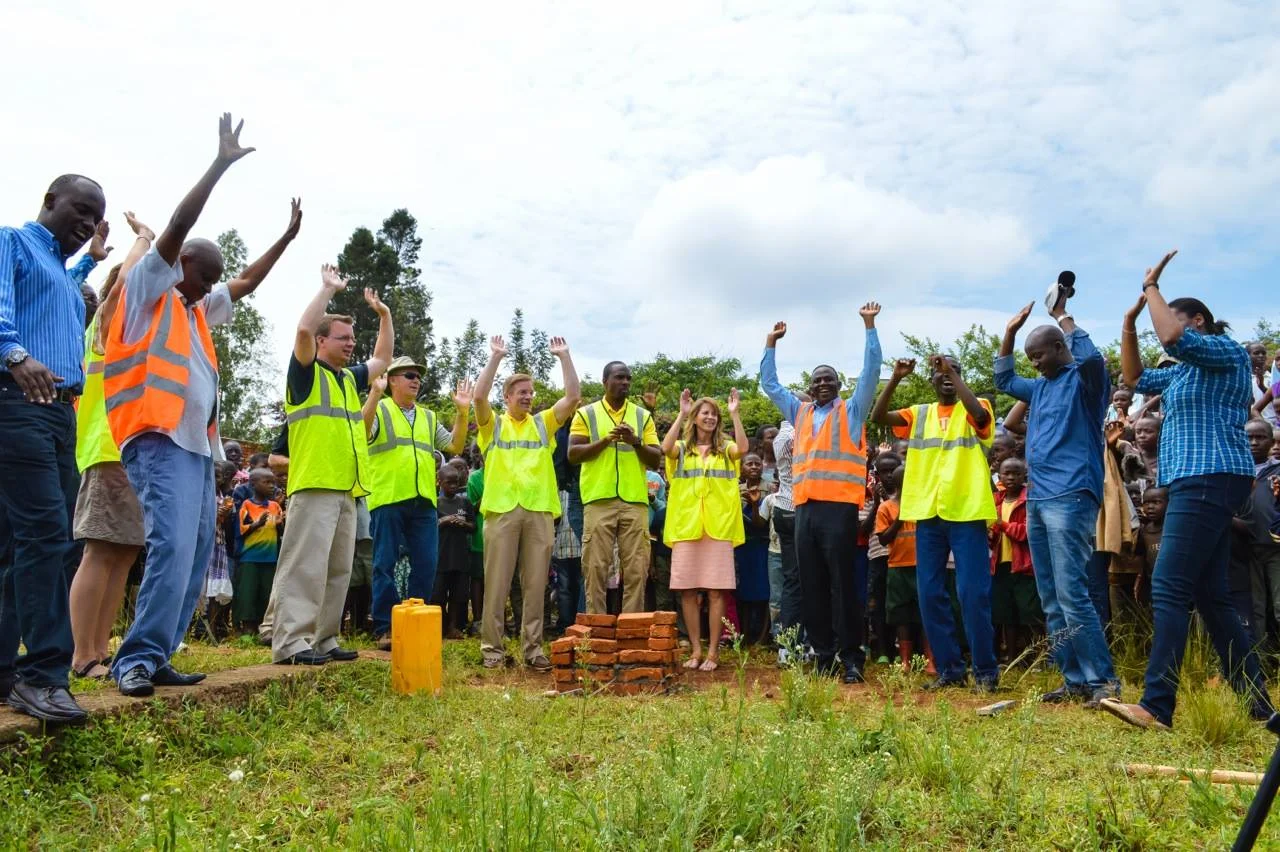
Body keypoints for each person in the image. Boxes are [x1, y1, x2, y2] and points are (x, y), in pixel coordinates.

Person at [105, 117, 298, 697]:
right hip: (154, 436)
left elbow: (245, 284)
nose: (206, 285)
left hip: (194, 448)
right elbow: (180, 225)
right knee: (168, 544)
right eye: (200, 273)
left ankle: (159, 653)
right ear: (177, 263)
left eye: (210, 279)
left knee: (191, 551)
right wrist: (219, 164)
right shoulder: (149, 291)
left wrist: (285, 241)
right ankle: (134, 659)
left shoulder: (194, 310)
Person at [1101, 251, 1274, 730]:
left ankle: (1158, 704)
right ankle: (1260, 706)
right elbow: (1134, 378)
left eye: (1169, 318)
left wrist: (1152, 286)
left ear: (1198, 320)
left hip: (1210, 474)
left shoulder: (1226, 351)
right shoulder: (1181, 371)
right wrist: (1129, 324)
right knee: (1211, 595)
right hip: (1198, 480)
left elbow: (1173, 335)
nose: (1164, 328)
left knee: (1169, 585)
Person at [0, 172, 108, 722]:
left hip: (58, 414)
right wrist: (14, 355)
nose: (87, 222)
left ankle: (3, 672)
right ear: (49, 201)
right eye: (81, 210)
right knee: (47, 537)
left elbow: (57, 287)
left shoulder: (65, 276)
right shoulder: (12, 242)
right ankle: (43, 674)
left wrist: (93, 259)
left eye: (95, 217)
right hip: (19, 402)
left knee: (19, 545)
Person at [996, 295, 1118, 706]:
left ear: (1059, 349)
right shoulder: (1039, 388)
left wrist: (1062, 316)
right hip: (1039, 498)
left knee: (1071, 592)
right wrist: (1010, 334)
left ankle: (1103, 681)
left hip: (1071, 495)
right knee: (1050, 596)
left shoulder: (1086, 384)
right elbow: (1003, 381)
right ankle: (1074, 680)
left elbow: (1093, 358)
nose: (1035, 364)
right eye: (1029, 358)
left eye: (1039, 355)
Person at [271, 263, 392, 666]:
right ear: (322, 342)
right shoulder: (305, 373)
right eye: (343, 337)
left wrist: (385, 316)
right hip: (314, 484)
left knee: (337, 570)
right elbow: (303, 331)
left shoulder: (346, 379)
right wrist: (326, 290)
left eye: (353, 338)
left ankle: (324, 639)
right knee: (304, 566)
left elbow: (383, 358)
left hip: (346, 488)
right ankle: (291, 642)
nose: (351, 344)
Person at [759, 303, 883, 683]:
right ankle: (824, 655)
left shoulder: (853, 410)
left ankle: (850, 658)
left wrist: (869, 326)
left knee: (843, 585)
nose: (823, 383)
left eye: (829, 379)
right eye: (817, 380)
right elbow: (770, 385)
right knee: (811, 586)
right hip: (804, 512)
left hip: (840, 511)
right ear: (810, 388)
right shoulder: (799, 412)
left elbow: (872, 370)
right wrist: (770, 344)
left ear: (839, 385)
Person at [870, 352, 999, 691]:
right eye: (940, 372)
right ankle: (950, 670)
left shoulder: (975, 404)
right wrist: (896, 378)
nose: (946, 375)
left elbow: (980, 416)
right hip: (927, 513)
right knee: (929, 594)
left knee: (972, 594)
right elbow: (878, 415)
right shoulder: (920, 413)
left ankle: (985, 672)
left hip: (966, 511)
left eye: (954, 371)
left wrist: (953, 374)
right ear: (929, 379)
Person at [67, 213, 155, 682]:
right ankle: (82, 654)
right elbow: (121, 285)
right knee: (100, 552)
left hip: (129, 452)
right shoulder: (105, 323)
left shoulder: (128, 335)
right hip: (107, 450)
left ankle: (99, 650)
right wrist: (142, 240)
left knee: (121, 553)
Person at [473, 334, 580, 670]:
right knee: (497, 584)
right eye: (522, 393)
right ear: (507, 397)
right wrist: (495, 358)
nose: (529, 397)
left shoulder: (542, 423)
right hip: (502, 511)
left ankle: (533, 650)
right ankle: (492, 649)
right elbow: (478, 396)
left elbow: (573, 396)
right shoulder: (494, 426)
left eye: (531, 393)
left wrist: (564, 356)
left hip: (538, 511)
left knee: (535, 585)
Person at [361, 355, 471, 647]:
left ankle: (413, 623)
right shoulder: (381, 409)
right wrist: (374, 393)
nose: (416, 380)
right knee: (384, 563)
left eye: (418, 376)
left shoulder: (428, 416)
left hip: (423, 501)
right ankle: (385, 627)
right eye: (409, 375)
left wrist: (462, 412)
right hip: (388, 498)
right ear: (392, 380)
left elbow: (455, 445)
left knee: (426, 564)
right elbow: (362, 431)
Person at [662, 389, 748, 672]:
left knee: (715, 592)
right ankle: (696, 649)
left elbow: (744, 449)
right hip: (687, 526)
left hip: (718, 526)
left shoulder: (726, 449)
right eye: (705, 413)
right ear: (696, 418)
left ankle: (713, 652)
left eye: (714, 414)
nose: (710, 417)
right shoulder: (682, 450)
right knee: (687, 591)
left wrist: (735, 414)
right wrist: (681, 414)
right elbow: (665, 448)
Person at [567, 361, 661, 614]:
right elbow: (573, 454)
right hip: (598, 498)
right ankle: (596, 631)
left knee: (636, 569)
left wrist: (636, 441)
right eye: (619, 378)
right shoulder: (586, 413)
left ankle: (631, 627)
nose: (625, 383)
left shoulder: (642, 416)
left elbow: (656, 458)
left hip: (635, 501)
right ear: (604, 381)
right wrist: (606, 439)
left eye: (628, 379)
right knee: (596, 567)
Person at [875, 466, 930, 674]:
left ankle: (928, 659)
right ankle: (905, 661)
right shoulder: (886, 507)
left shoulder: (923, 503)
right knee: (901, 615)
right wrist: (901, 516)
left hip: (922, 566)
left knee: (926, 611)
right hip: (897, 567)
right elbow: (883, 539)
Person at [988, 458, 1042, 664]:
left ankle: (1034, 658)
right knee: (1005, 614)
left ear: (1024, 476)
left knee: (1029, 614)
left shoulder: (1029, 500)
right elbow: (992, 533)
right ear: (999, 477)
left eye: (1016, 474)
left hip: (1024, 566)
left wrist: (1001, 524)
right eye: (1007, 473)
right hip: (1000, 565)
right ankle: (1011, 657)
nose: (1011, 478)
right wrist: (991, 533)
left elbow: (1025, 533)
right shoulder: (996, 500)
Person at [1237, 419, 1280, 646]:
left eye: (1260, 437)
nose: (1253, 442)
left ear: (1272, 442)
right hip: (1246, 549)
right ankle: (1260, 661)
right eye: (1249, 437)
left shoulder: (1278, 471)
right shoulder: (1235, 469)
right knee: (1256, 607)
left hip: (1275, 548)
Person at [236, 468, 283, 635]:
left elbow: (280, 528)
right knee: (248, 593)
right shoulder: (247, 505)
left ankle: (265, 628)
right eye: (267, 482)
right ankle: (248, 629)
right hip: (250, 557)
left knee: (266, 593)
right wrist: (257, 524)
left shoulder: (275, 506)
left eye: (273, 483)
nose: (272, 486)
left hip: (270, 557)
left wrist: (279, 524)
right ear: (253, 484)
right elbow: (242, 529)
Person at [431, 465, 475, 638]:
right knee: (438, 594)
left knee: (458, 595)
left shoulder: (464, 502)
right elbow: (429, 527)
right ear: (440, 482)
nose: (453, 486)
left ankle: (453, 626)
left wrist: (463, 524)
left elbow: (473, 526)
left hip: (460, 556)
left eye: (456, 483)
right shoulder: (435, 503)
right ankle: (440, 626)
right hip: (441, 556)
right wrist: (445, 521)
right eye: (449, 483)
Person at [735, 452, 771, 645]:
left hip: (763, 544)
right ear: (742, 468)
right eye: (750, 464)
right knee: (744, 591)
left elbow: (762, 523)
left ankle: (763, 635)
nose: (754, 467)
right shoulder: (736, 489)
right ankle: (746, 634)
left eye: (758, 463)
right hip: (743, 545)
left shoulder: (770, 489)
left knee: (764, 591)